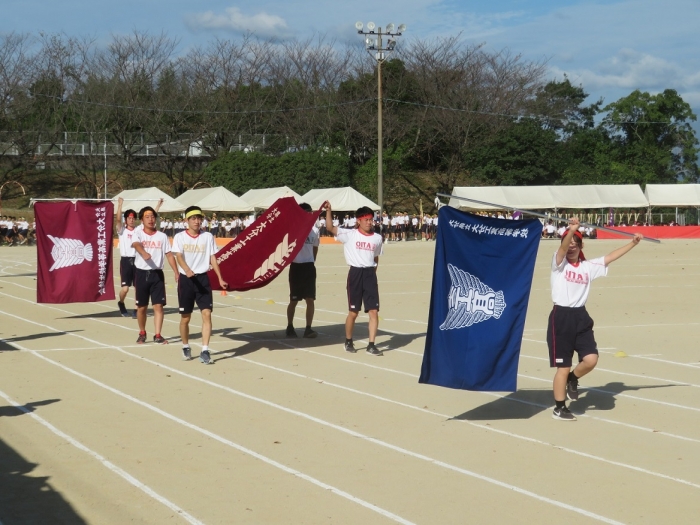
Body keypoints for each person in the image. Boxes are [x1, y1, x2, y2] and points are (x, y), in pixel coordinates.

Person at [548, 217, 643, 421]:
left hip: (581, 317)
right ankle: (559, 408)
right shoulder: (559, 263)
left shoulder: (587, 267)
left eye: (575, 243)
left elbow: (609, 257)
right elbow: (563, 249)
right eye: (569, 242)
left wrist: (633, 243)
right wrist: (571, 230)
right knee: (562, 367)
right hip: (561, 317)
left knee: (591, 360)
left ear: (582, 246)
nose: (571, 246)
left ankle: (573, 379)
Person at [325, 204, 384, 356]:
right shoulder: (349, 234)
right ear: (358, 221)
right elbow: (330, 227)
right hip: (355, 273)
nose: (369, 222)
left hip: (370, 274)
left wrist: (372, 272)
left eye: (371, 219)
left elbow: (376, 256)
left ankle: (371, 344)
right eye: (366, 220)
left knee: (373, 311)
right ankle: (348, 341)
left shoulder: (377, 238)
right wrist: (329, 211)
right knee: (353, 312)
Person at [172, 206, 228, 364]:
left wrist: (220, 278)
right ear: (186, 221)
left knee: (207, 314)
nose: (197, 221)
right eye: (193, 218)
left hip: (203, 279)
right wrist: (187, 269)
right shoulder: (180, 237)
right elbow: (178, 256)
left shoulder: (208, 236)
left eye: (199, 218)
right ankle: (185, 346)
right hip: (186, 280)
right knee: (185, 318)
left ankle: (205, 350)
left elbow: (213, 258)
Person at [132, 206, 179, 345]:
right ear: (142, 219)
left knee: (158, 306)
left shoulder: (162, 236)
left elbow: (169, 255)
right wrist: (143, 253)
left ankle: (158, 335)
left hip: (157, 274)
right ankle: (142, 332)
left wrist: (176, 272)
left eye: (153, 216)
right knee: (142, 307)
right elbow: (136, 244)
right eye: (147, 217)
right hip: (141, 273)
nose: (151, 219)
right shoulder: (138, 233)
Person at [286, 202, 321, 339]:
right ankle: (290, 326)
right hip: (296, 266)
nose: (309, 215)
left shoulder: (315, 230)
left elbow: (315, 247)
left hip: (308, 266)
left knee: (310, 299)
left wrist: (312, 260)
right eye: (306, 212)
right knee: (294, 300)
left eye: (310, 212)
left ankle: (308, 328)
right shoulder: (294, 228)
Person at [114, 197, 139, 318]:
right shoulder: (122, 230)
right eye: (129, 218)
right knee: (125, 289)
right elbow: (118, 219)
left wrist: (157, 206)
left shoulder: (138, 231)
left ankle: (136, 309)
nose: (132, 220)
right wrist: (120, 205)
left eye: (133, 218)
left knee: (138, 287)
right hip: (126, 261)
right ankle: (121, 302)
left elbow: (149, 220)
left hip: (138, 260)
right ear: (126, 220)